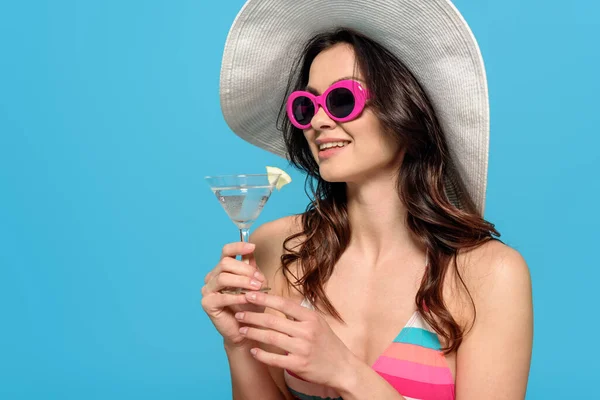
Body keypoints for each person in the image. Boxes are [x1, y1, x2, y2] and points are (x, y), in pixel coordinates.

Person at [202, 0, 533, 399]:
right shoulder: (279, 247)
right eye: (307, 106)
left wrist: (347, 372)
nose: (319, 122)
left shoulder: (488, 274)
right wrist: (238, 344)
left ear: (406, 108)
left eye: (342, 100)